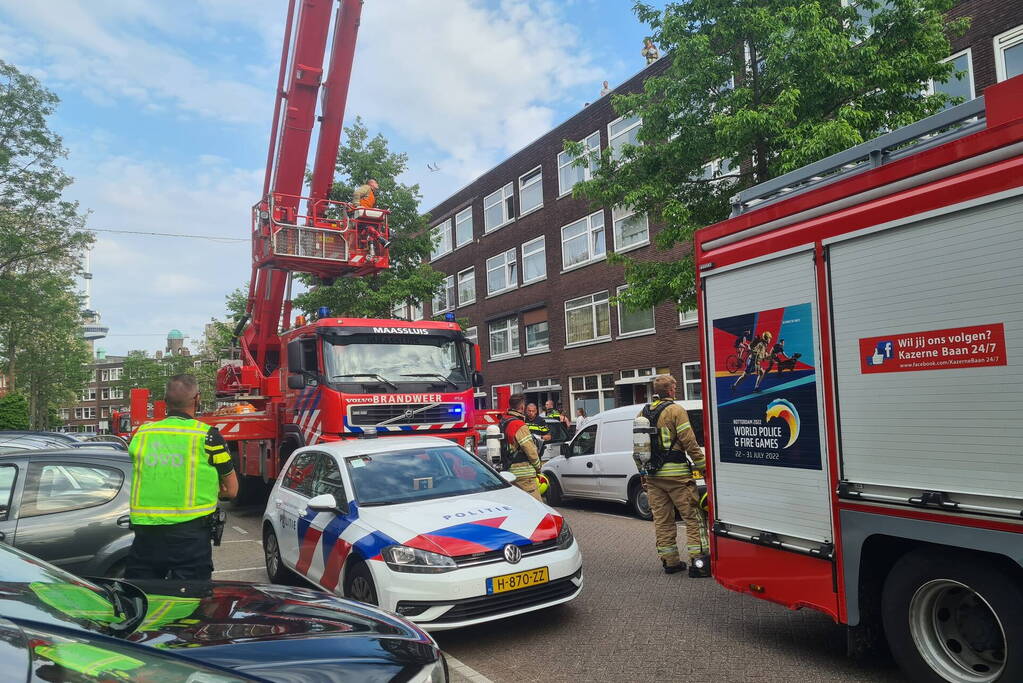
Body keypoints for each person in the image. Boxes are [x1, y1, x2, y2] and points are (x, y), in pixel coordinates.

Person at [126, 374, 238, 580]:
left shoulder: (141, 434)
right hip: (190, 537)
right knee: (190, 602)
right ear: (197, 399)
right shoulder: (208, 436)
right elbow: (231, 491)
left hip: (146, 536)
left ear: (165, 401)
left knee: (142, 599)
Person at [634, 374, 708, 575]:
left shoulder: (643, 412)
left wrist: (642, 472)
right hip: (677, 476)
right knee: (693, 517)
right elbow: (689, 442)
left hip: (652, 476)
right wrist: (703, 467)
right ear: (671, 390)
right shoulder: (676, 410)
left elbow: (638, 445)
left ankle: (670, 562)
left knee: (662, 520)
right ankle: (698, 564)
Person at [500, 394, 543, 500]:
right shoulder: (519, 425)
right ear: (523, 407)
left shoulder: (503, 422)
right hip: (524, 476)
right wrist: (538, 466)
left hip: (509, 472)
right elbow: (531, 450)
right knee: (536, 507)